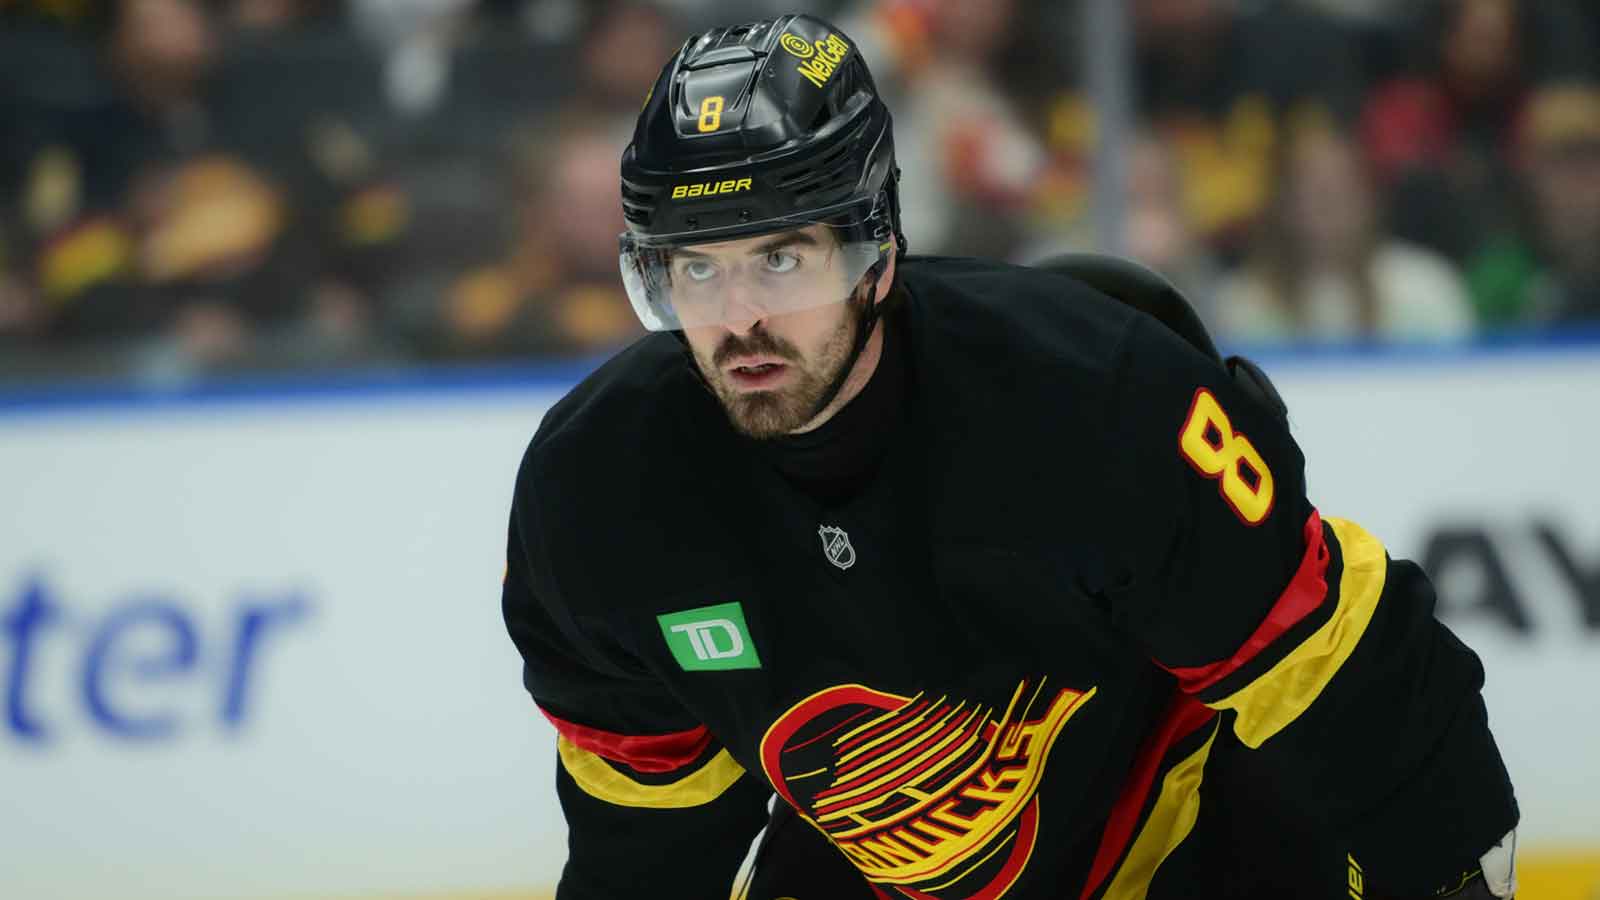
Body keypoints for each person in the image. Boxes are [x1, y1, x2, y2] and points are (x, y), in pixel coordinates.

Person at [498, 14, 1519, 900]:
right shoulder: (598, 491)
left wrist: (1438, 874)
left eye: (779, 257)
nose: (740, 320)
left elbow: (1337, 662)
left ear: (876, 251)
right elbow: (644, 821)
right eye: (697, 270)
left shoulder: (1093, 396)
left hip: (1191, 837)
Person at [1216, 123, 1473, 344]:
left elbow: (1464, 382)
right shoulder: (1243, 304)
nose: (1329, 203)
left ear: (1371, 198)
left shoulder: (1426, 286)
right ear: (1284, 204)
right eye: (1313, 191)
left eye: (1343, 189)